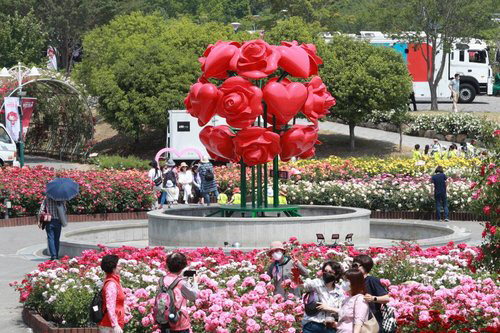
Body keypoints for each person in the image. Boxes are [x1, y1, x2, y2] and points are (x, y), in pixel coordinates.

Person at [159, 252, 199, 333]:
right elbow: (193, 296)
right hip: (179, 323)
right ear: (183, 266)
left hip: (164, 321)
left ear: (167, 266)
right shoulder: (181, 283)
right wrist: (195, 282)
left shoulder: (161, 280)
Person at [302, 261, 346, 333]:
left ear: (336, 275)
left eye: (330, 272)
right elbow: (303, 285)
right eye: (325, 271)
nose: (326, 274)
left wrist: (329, 308)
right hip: (312, 325)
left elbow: (342, 311)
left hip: (329, 327)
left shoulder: (339, 291)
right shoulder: (316, 283)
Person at [351, 255, 390, 332]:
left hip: (372, 322)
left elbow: (387, 298)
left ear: (365, 266)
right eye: (353, 265)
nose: (354, 268)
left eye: (356, 265)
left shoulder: (372, 280)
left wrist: (373, 298)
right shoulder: (353, 282)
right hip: (357, 320)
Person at [336, 269, 373, 333]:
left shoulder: (360, 299)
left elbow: (359, 321)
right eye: (343, 279)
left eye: (346, 280)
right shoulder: (348, 298)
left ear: (355, 283)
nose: (343, 282)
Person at [99, 255, 125, 333]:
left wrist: (124, 307)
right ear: (113, 267)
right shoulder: (111, 284)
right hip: (109, 326)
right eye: (118, 264)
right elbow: (110, 306)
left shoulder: (114, 281)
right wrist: (115, 325)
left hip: (112, 324)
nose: (120, 266)